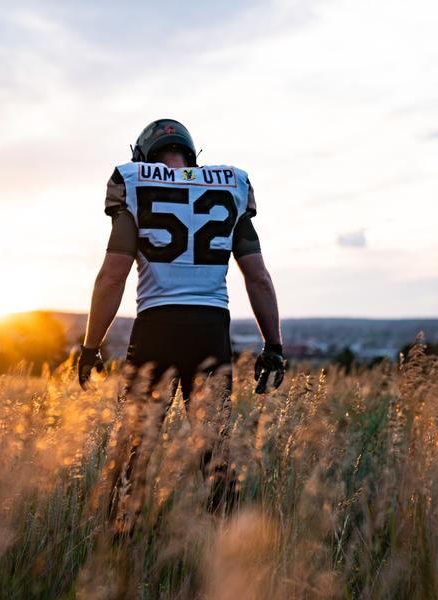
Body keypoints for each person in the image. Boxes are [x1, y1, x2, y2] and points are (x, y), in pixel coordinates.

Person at [77, 118, 285, 523]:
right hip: (210, 332)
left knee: (134, 453)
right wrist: (273, 346)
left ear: (143, 155)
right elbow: (257, 276)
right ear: (191, 155)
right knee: (216, 455)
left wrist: (90, 346)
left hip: (157, 329)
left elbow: (111, 276)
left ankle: (118, 550)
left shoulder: (134, 182)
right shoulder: (231, 186)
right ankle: (224, 555)